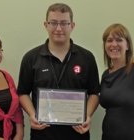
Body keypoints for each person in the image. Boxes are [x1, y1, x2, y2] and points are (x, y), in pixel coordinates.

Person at [17, 3, 100, 140]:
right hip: (42, 134)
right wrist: (32, 114)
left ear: (72, 25)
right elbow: (23, 92)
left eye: (64, 23)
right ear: (46, 25)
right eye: (53, 23)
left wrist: (87, 115)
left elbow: (94, 93)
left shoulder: (86, 57)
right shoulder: (31, 58)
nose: (58, 28)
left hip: (77, 133)